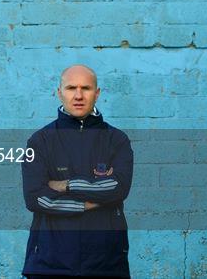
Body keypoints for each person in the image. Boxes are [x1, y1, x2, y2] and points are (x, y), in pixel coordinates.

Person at [21, 64, 134, 278]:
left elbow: (118, 188)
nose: (79, 95)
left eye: (86, 88)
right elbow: (35, 198)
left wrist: (66, 185)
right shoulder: (40, 142)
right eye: (71, 88)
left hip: (106, 263)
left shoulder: (116, 140)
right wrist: (86, 203)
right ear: (59, 93)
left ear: (97, 93)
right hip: (50, 264)